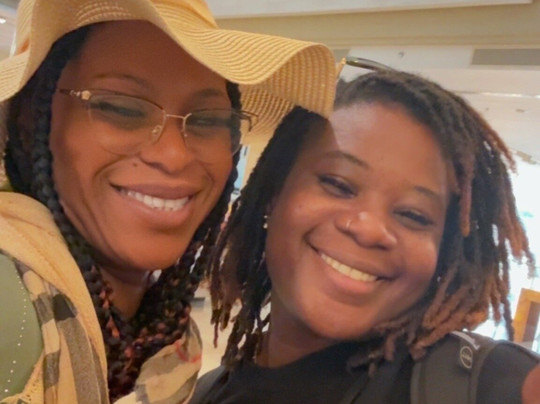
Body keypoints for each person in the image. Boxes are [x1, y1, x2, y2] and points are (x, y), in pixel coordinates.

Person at [0, 0, 337, 403]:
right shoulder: (13, 310)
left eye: (209, 120)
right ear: (29, 121)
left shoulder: (165, 339)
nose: (174, 156)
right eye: (122, 109)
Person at [191, 69, 540, 403]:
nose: (370, 229)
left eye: (414, 215)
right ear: (273, 192)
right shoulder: (204, 391)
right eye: (337, 184)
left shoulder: (493, 385)